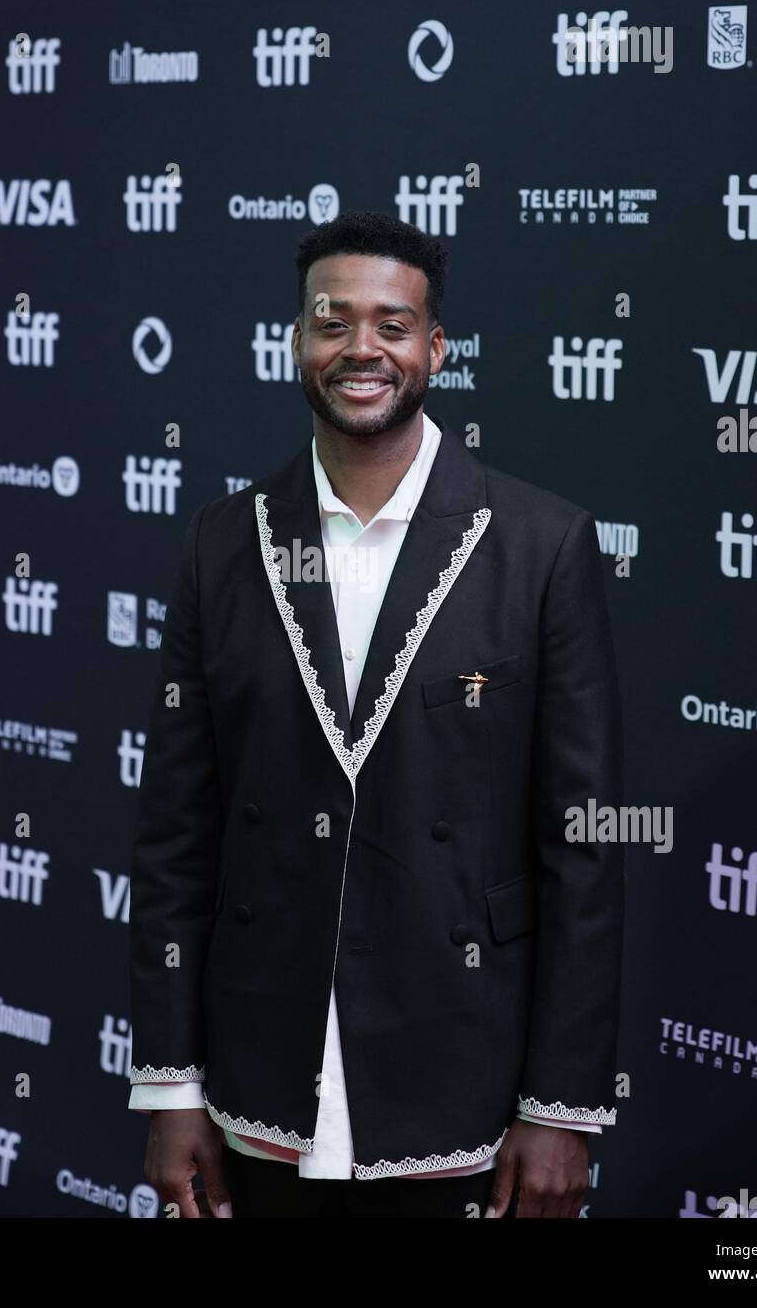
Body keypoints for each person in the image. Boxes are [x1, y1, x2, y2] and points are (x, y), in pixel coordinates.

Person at [127, 210, 624, 1218]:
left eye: (392, 325)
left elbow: (585, 850)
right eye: (332, 322)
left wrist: (561, 1108)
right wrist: (172, 1088)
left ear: (435, 348)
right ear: (296, 343)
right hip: (260, 1096)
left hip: (461, 1090)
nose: (362, 349)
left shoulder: (539, 545)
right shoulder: (221, 545)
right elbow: (178, 839)